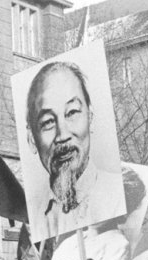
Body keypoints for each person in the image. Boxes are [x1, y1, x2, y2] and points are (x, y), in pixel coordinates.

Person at [24, 60, 125, 241]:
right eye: (47, 122)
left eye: (71, 113)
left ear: (90, 118)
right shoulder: (33, 219)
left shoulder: (119, 197)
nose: (62, 135)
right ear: (32, 139)